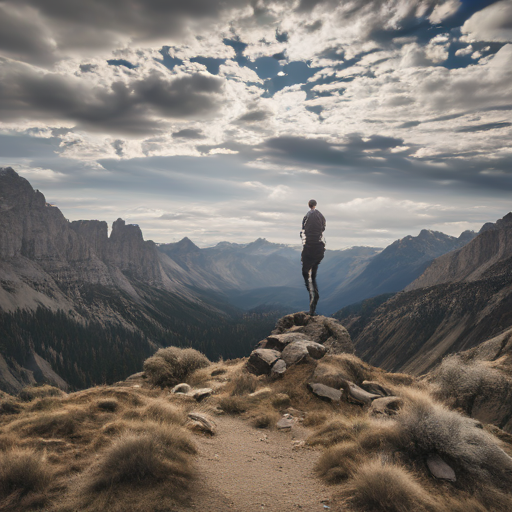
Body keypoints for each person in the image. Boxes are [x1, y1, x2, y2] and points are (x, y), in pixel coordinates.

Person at [300, 199, 326, 316]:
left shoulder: (306, 216)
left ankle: (312, 308)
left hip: (309, 249)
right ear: (316, 205)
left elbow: (303, 231)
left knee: (307, 276)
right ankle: (312, 308)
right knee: (313, 276)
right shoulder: (321, 215)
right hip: (319, 250)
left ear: (309, 205)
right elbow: (323, 228)